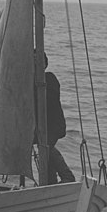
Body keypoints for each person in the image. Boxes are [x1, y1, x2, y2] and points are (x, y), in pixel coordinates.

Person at [36, 53, 77, 185]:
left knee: (46, 147)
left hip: (53, 124)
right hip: (41, 125)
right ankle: (50, 183)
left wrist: (38, 86)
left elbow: (49, 100)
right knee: (45, 150)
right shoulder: (32, 81)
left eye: (39, 61)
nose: (36, 64)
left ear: (44, 64)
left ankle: (67, 176)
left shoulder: (49, 78)